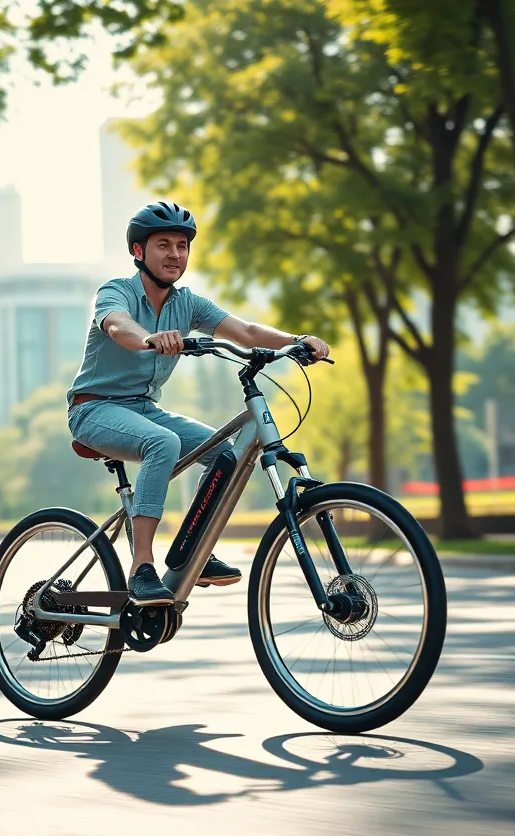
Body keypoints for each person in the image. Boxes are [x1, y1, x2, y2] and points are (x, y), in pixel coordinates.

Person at [67, 201, 330, 606]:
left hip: (143, 409)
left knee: (225, 454)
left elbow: (245, 331)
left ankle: (194, 552)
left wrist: (296, 341)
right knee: (163, 443)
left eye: (182, 246)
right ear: (139, 252)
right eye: (163, 245)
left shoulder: (187, 303)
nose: (175, 254)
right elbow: (118, 326)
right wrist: (149, 338)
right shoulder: (116, 291)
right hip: (94, 411)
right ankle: (141, 568)